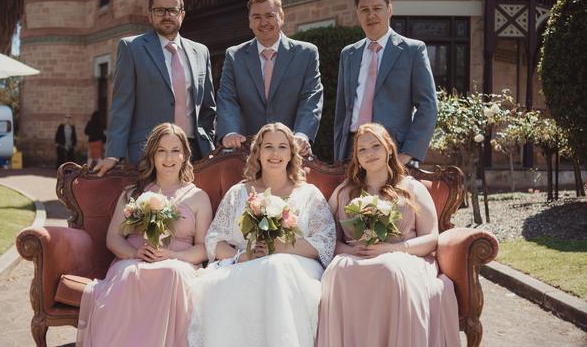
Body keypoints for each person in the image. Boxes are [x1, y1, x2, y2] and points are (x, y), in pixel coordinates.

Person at [187, 123, 336, 347]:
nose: (275, 154)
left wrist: (279, 249)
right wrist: (242, 257)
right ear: (258, 153)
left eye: (282, 147)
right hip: (244, 264)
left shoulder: (308, 194)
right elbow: (214, 239)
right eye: (268, 147)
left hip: (294, 267)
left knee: (275, 267)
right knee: (238, 279)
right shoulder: (238, 193)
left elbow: (324, 241)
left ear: (291, 154)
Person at [317, 123, 460, 347]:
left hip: (403, 256)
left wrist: (391, 248)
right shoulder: (344, 192)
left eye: (375, 146)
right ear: (356, 157)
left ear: (389, 149)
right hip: (355, 257)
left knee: (388, 268)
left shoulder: (412, 188)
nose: (369, 153)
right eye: (362, 150)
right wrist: (351, 249)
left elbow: (431, 238)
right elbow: (325, 238)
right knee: (338, 271)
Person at [76, 123, 213, 347]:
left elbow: (203, 248)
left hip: (179, 264)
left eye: (175, 150)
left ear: (184, 155)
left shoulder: (198, 197)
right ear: (152, 155)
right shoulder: (133, 193)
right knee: (130, 274)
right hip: (134, 260)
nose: (168, 158)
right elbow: (113, 238)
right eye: (161, 150)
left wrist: (171, 255)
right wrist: (134, 253)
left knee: (171, 273)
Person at [95, 0, 217, 176]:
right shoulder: (132, 48)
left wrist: (207, 140)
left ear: (182, 14)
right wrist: (113, 154)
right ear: (150, 15)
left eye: (172, 10)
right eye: (160, 10)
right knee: (152, 206)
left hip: (194, 153)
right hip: (148, 153)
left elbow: (208, 107)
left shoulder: (200, 52)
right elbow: (122, 105)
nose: (166, 15)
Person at [333, 0, 437, 165]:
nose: (371, 15)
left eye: (377, 8)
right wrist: (339, 156)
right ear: (357, 13)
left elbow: (428, 106)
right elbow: (342, 111)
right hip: (352, 149)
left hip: (393, 150)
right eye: (364, 9)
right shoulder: (348, 54)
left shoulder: (412, 51)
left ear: (389, 10)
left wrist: (408, 153)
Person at [216, 0, 324, 156]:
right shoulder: (234, 56)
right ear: (250, 22)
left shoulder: (307, 53)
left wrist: (302, 134)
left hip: (292, 150)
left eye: (269, 15)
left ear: (281, 16)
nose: (264, 22)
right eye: (257, 17)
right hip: (246, 151)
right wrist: (230, 132)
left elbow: (311, 98)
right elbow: (227, 97)